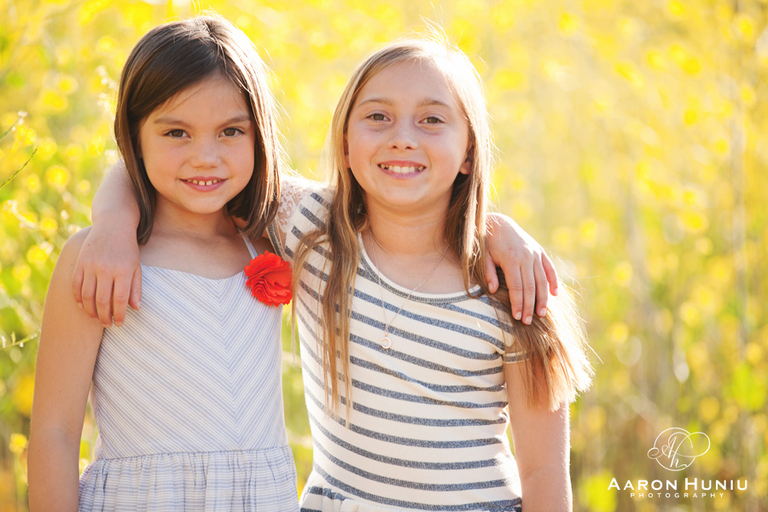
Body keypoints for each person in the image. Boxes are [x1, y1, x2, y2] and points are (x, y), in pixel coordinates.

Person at [267, 35, 594, 511]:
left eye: (432, 120)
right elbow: (190, 169)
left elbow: (544, 473)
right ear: (344, 145)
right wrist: (114, 209)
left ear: (468, 152)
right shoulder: (313, 231)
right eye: (378, 117)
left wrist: (496, 228)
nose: (402, 136)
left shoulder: (512, 287)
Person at [28, 16, 298, 511]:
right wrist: (111, 225)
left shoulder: (269, 240)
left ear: (259, 135)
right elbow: (54, 432)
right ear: (133, 135)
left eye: (230, 131)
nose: (205, 157)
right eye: (176, 132)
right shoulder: (101, 258)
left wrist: (490, 230)